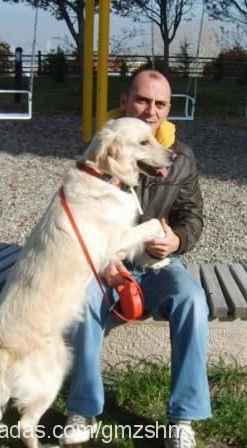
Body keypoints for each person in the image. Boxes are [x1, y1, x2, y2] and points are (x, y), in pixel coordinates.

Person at [61, 69, 211, 448]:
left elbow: (192, 216)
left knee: (192, 300)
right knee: (83, 301)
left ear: (169, 108)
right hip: (104, 261)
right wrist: (102, 258)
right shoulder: (101, 144)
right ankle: (83, 408)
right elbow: (77, 213)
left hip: (155, 264)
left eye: (160, 103)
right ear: (125, 100)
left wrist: (177, 240)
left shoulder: (182, 157)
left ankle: (184, 418)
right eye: (143, 100)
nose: (150, 110)